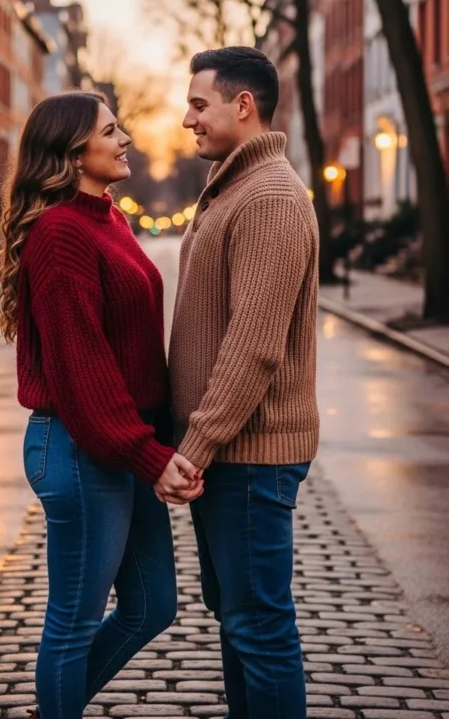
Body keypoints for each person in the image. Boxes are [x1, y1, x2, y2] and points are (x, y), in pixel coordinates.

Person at [0, 91, 202, 719]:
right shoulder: (60, 233)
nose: (125, 139)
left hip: (122, 441)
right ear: (72, 152)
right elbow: (82, 368)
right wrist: (150, 456)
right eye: (110, 131)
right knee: (73, 622)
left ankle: (56, 707)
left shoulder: (107, 218)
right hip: (80, 446)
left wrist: (157, 441)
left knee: (152, 606)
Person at [169, 47, 320, 719]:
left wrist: (195, 448)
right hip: (231, 457)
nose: (188, 120)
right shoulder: (238, 188)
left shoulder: (269, 198)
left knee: (259, 628)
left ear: (244, 105)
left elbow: (254, 348)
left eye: (199, 105)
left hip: (250, 457)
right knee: (239, 622)